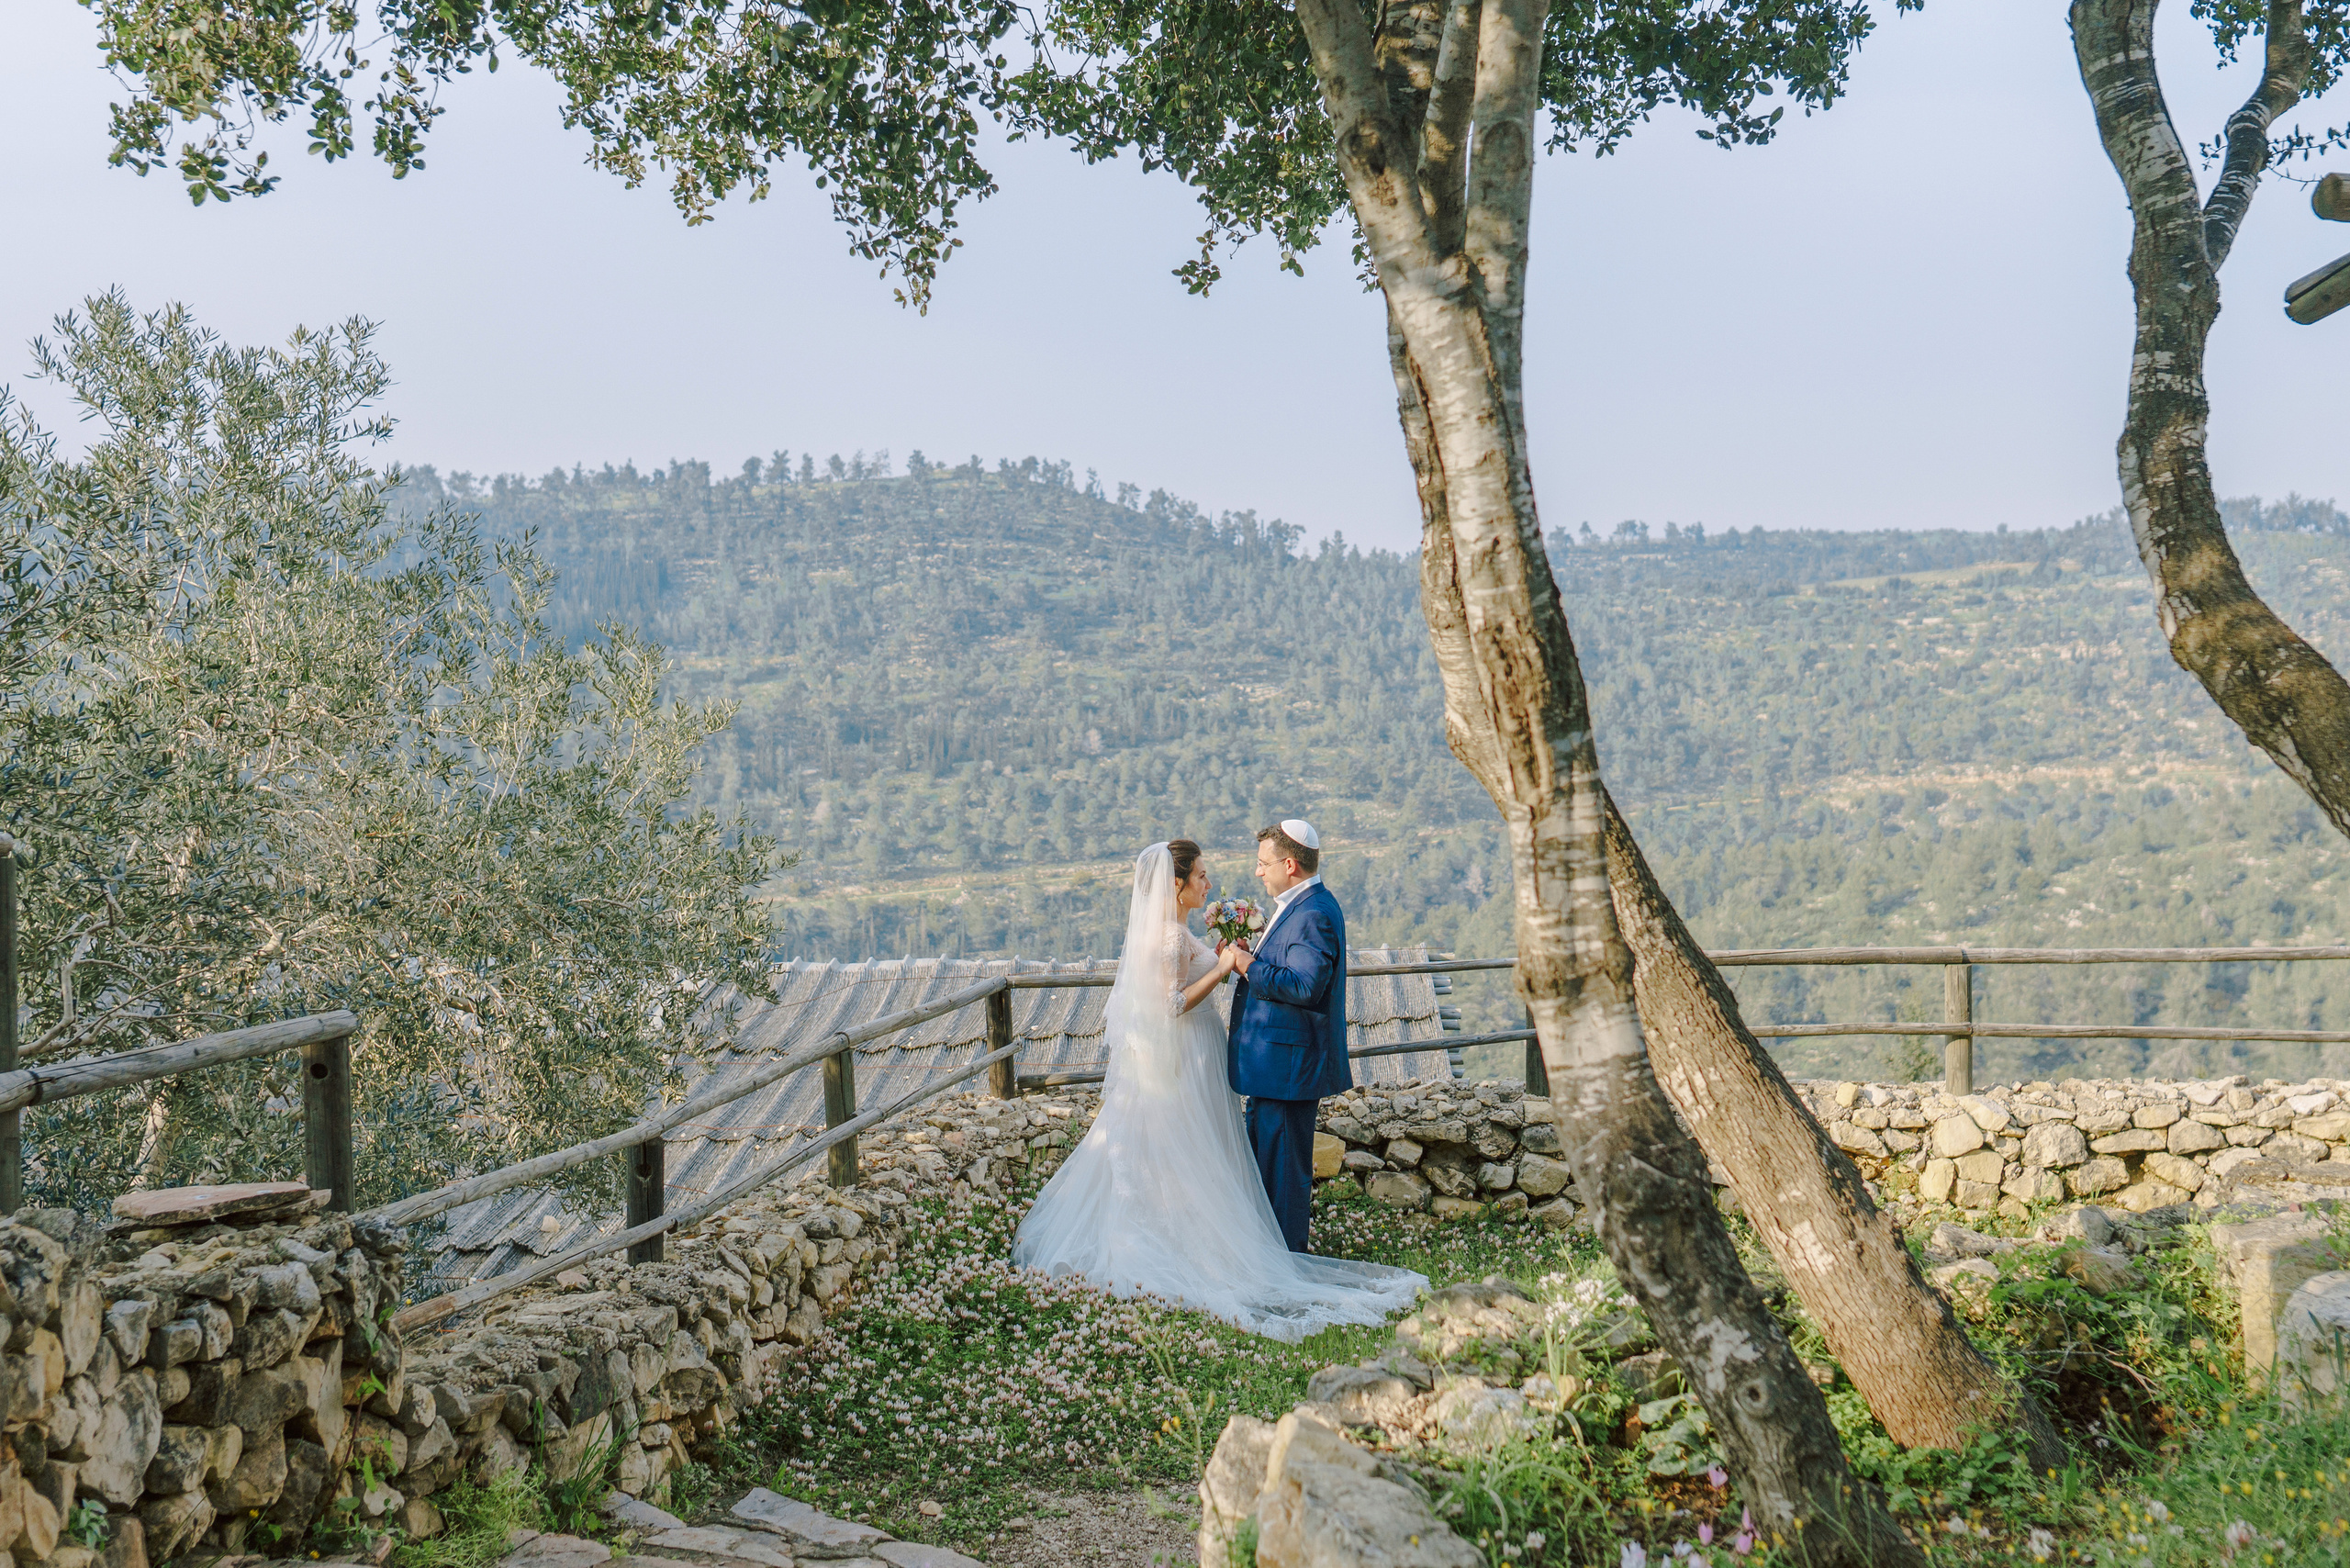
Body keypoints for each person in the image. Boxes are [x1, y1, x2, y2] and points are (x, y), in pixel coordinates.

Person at [1010, 837, 1423, 1340]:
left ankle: (1232, 1243)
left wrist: (1234, 959)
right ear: (1177, 885)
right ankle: (1196, 1248)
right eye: (1201, 876)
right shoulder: (1167, 936)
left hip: (1209, 1053)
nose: (1210, 883)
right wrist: (1228, 966)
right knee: (1189, 1153)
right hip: (1189, 1055)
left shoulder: (1188, 929)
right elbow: (1169, 1004)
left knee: (1207, 1155)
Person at [1225, 819, 1350, 1253]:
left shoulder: (1313, 914)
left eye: (1264, 863)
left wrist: (1246, 965)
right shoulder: (1299, 905)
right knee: (1270, 1167)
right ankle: (1270, 1259)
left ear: (1290, 864)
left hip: (1288, 1068)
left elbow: (1303, 986)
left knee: (1283, 1173)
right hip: (1276, 1066)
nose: (1258, 871)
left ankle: (1286, 1262)